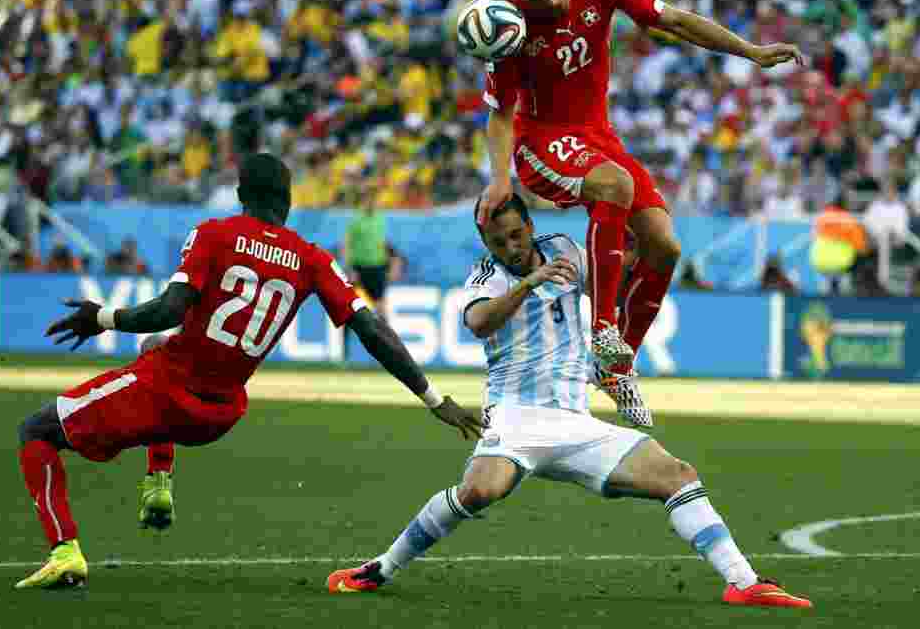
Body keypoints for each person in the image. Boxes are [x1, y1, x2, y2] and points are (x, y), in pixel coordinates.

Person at [15, 153, 482, 590]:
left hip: (165, 391)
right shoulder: (313, 259)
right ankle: (158, 482)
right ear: (289, 200)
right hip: (220, 413)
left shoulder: (214, 234)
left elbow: (169, 308)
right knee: (158, 348)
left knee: (36, 431)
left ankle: (65, 551)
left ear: (241, 195)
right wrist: (433, 399)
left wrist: (101, 318)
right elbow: (373, 330)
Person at [327, 194, 812, 610]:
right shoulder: (486, 278)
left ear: (531, 227)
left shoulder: (563, 250)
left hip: (576, 422)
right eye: (499, 242)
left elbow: (617, 264)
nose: (510, 248)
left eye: (516, 235)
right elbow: (478, 323)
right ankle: (380, 568)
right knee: (478, 491)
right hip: (515, 416)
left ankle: (744, 583)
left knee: (678, 475)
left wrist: (630, 230)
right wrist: (527, 284)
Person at [475, 0, 805, 423]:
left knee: (665, 248)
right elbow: (500, 115)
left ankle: (614, 366)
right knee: (615, 186)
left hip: (598, 137)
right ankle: (603, 327)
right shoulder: (511, 29)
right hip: (540, 141)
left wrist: (750, 51)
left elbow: (672, 19)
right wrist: (500, 178)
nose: (551, 3)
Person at [344, 193, 389, 311]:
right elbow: (347, 243)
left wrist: (387, 265)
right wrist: (349, 267)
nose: (372, 203)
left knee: (380, 304)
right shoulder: (356, 220)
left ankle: (382, 329)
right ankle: (348, 329)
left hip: (377, 266)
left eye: (374, 200)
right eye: (369, 200)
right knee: (352, 303)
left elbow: (382, 242)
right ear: (364, 201)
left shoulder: (380, 218)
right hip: (359, 267)